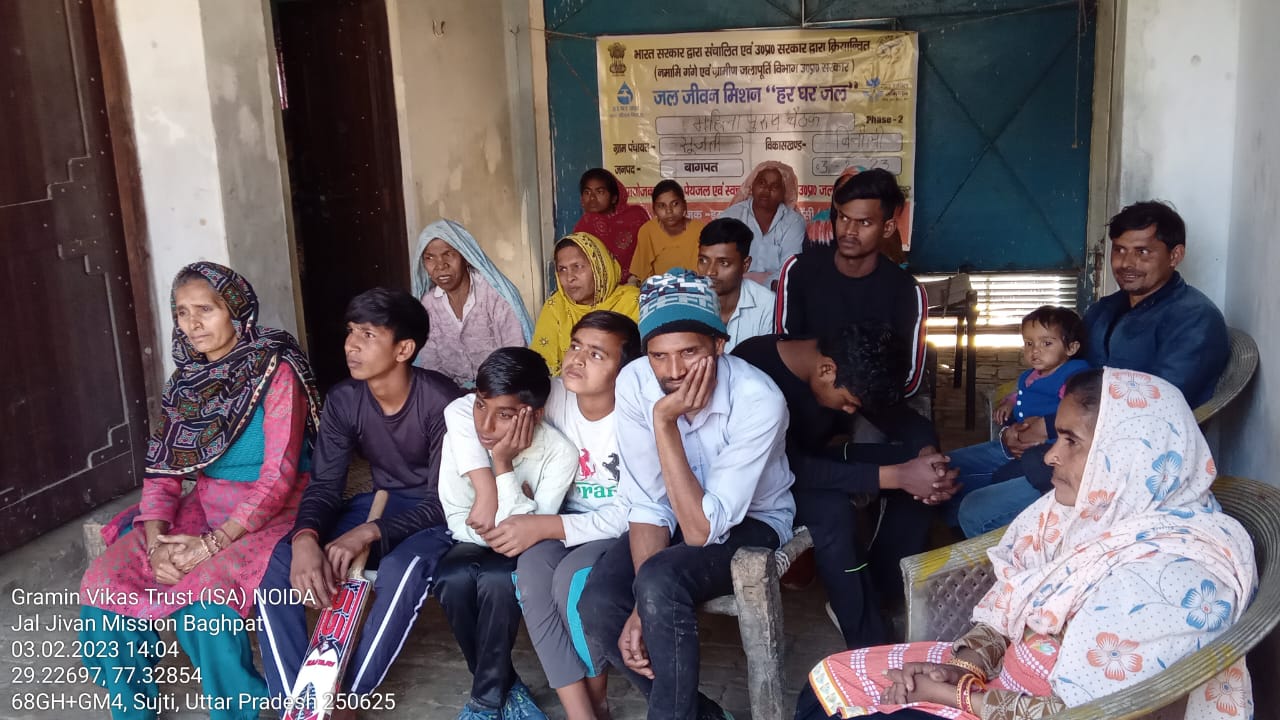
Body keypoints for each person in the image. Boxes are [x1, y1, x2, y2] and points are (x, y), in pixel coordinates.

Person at [797, 368, 1256, 720]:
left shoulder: (1172, 582)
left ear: (1129, 455)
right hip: (998, 680)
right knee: (823, 687)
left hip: (1020, 708)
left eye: (1071, 441)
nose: (1051, 454)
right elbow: (1010, 606)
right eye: (1057, 437)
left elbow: (1082, 712)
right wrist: (966, 664)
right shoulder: (1079, 514)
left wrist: (956, 695)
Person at [79, 262, 321, 720]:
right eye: (182, 312)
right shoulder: (184, 382)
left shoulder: (274, 370)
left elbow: (279, 475)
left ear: (236, 311)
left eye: (205, 310)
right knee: (105, 581)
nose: (192, 323)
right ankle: (132, 709)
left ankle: (235, 711)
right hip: (208, 503)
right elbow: (162, 471)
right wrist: (156, 544)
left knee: (206, 600)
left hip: (276, 509)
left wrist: (209, 546)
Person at [579, 269, 796, 720]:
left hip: (752, 522)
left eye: (689, 353)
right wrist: (641, 606)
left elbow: (701, 530)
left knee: (660, 580)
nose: (673, 371)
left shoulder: (759, 399)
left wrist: (664, 422)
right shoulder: (636, 382)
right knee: (598, 604)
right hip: (677, 516)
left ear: (719, 345)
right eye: (658, 356)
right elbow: (647, 501)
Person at [256, 288, 462, 710]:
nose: (351, 345)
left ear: (403, 349)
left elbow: (444, 500)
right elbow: (325, 485)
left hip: (436, 514)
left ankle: (347, 699)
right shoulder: (344, 399)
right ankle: (297, 704)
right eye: (351, 331)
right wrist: (305, 537)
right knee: (278, 563)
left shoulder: (442, 401)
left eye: (368, 335)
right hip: (380, 502)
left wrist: (368, 533)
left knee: (403, 570)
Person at [991, 202, 1231, 535]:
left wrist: (1050, 426)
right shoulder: (1104, 309)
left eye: (1142, 252)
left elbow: (1154, 405)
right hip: (1068, 440)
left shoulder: (1194, 320)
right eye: (1119, 250)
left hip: (1127, 465)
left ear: (1175, 255)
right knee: (960, 474)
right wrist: (1026, 417)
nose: (1126, 263)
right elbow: (1069, 372)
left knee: (976, 508)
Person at [448, 312, 641, 720]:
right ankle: (579, 712)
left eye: (597, 354)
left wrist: (546, 525)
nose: (577, 359)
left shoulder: (636, 415)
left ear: (624, 371)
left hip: (618, 529)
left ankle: (599, 704)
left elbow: (634, 512)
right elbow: (462, 409)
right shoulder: (555, 393)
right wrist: (489, 481)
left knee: (570, 582)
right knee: (532, 574)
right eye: (575, 346)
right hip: (562, 521)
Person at [733, 323, 956, 648]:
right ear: (827, 370)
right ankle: (867, 639)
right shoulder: (754, 370)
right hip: (762, 487)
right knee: (833, 512)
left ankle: (876, 594)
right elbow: (787, 470)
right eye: (849, 402)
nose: (851, 411)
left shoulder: (847, 365)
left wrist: (928, 459)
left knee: (922, 471)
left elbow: (906, 422)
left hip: (811, 463)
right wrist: (897, 476)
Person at [434, 346, 579, 720]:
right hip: (469, 540)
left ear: (535, 414)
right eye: (481, 406)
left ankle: (484, 703)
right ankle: (505, 685)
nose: (485, 426)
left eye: (504, 415)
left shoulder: (559, 454)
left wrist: (502, 465)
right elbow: (457, 515)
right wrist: (511, 513)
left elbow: (532, 529)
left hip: (524, 550)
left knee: (498, 580)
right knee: (451, 578)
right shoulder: (463, 436)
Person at [776, 168, 928, 397]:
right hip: (808, 399)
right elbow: (784, 349)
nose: (849, 231)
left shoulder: (906, 290)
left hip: (877, 404)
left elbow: (910, 378)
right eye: (844, 218)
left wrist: (850, 396)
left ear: (887, 228)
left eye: (864, 222)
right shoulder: (798, 271)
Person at [948, 307, 1091, 537]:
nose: (1035, 351)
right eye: (1029, 343)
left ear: (1071, 348)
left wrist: (1044, 426)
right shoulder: (1031, 375)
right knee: (950, 470)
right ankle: (956, 531)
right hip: (1019, 443)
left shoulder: (1072, 375)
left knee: (998, 482)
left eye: (1046, 343)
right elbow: (1022, 394)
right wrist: (1009, 403)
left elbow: (1078, 409)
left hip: (1048, 450)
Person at [411, 218, 533, 387]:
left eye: (448, 254)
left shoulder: (494, 295)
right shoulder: (429, 304)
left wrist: (488, 391)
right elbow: (431, 363)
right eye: (430, 258)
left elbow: (514, 351)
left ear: (466, 257)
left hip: (500, 387)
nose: (440, 265)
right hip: (451, 393)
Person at [531, 232, 640, 375]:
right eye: (562, 269)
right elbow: (540, 366)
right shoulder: (556, 306)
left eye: (577, 266)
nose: (569, 277)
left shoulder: (633, 302)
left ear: (599, 266)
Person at [718, 160, 808, 288]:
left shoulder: (794, 222)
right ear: (752, 186)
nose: (766, 190)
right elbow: (720, 262)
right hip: (735, 290)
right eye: (762, 183)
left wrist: (765, 287)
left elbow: (789, 270)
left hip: (775, 293)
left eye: (775, 186)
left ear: (784, 191)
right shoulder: (731, 216)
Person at [697, 216, 776, 352]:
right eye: (703, 261)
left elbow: (768, 360)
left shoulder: (767, 305)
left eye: (723, 263)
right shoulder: (685, 302)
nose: (710, 272)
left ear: (745, 265)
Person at [574, 167, 651, 277]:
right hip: (598, 285)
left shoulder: (636, 217)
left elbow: (650, 252)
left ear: (614, 198)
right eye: (587, 192)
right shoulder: (584, 226)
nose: (592, 198)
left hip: (638, 283)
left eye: (600, 192)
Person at [629, 179, 706, 282]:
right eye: (661, 206)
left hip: (694, 287)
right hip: (659, 289)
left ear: (684, 205)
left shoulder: (700, 230)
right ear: (654, 210)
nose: (669, 211)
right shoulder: (647, 231)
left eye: (675, 204)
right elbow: (641, 275)